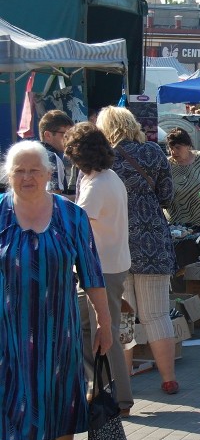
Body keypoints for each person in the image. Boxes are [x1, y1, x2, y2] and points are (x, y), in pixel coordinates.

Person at [0, 141, 112, 440]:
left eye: (34, 170)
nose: (27, 177)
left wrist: (104, 322)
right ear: (8, 176)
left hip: (57, 333)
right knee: (7, 412)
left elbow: (92, 271)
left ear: (50, 174)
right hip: (7, 335)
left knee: (61, 406)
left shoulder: (70, 215)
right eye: (19, 171)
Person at [97, 106, 180, 395]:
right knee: (156, 314)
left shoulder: (101, 159)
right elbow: (167, 197)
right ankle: (168, 379)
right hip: (151, 241)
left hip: (114, 241)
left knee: (124, 317)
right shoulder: (154, 153)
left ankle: (123, 385)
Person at [64, 123, 134, 418]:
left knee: (106, 332)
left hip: (102, 270)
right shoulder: (108, 177)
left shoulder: (96, 185)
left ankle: (119, 399)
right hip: (111, 264)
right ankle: (101, 387)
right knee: (91, 329)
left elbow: (74, 228)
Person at [165, 128, 200, 230]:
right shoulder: (167, 165)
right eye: (171, 148)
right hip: (178, 225)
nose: (173, 152)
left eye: (178, 147)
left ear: (188, 145)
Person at [38, 109, 73, 194]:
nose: (70, 139)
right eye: (65, 135)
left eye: (72, 135)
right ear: (48, 135)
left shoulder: (29, 154)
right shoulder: (52, 158)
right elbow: (53, 199)